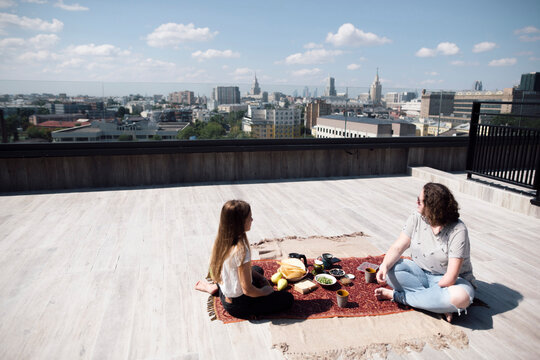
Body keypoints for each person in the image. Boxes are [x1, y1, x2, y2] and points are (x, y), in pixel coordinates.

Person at [374, 183, 475, 323]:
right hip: (419, 273)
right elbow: (398, 247)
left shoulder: (458, 230)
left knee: (461, 298)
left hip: (450, 283)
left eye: (420, 201)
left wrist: (437, 292)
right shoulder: (416, 217)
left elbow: (451, 277)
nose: (416, 202)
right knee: (391, 269)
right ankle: (436, 305)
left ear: (433, 207)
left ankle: (397, 296)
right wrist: (384, 265)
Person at [196, 200, 293, 319]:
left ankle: (215, 288)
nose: (252, 220)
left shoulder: (220, 241)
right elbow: (248, 290)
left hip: (226, 295)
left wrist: (261, 277)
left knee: (257, 269)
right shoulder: (241, 250)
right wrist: (265, 291)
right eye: (249, 218)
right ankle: (220, 291)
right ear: (240, 223)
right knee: (287, 299)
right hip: (239, 306)